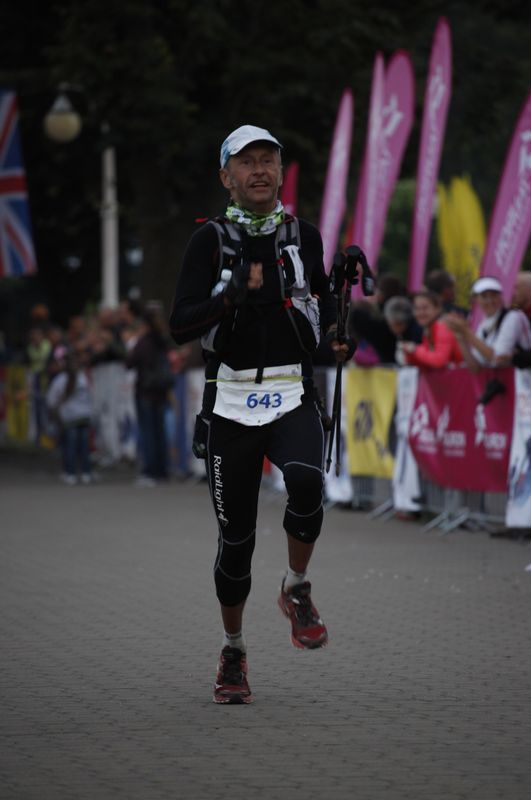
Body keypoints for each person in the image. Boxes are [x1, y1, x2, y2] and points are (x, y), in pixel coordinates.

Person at [169, 124, 353, 704]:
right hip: (229, 407)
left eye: (268, 160)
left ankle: (296, 587)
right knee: (237, 542)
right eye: (246, 162)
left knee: (307, 483)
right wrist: (229, 298)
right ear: (226, 176)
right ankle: (234, 649)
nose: (259, 170)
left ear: (279, 171)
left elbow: (320, 298)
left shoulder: (303, 235)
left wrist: (336, 330)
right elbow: (180, 324)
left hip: (291, 395)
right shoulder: (209, 240)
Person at [126, 306, 175, 486]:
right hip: (160, 391)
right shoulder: (162, 340)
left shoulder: (143, 342)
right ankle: (163, 470)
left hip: (145, 391)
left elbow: (130, 362)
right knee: (160, 431)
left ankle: (150, 470)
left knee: (148, 432)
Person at [445, 276, 531, 371]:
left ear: (500, 296)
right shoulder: (484, 324)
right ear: (476, 299)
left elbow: (497, 360)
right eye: (484, 296)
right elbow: (475, 368)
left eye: (494, 295)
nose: (490, 301)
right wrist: (460, 338)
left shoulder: (514, 316)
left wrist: (466, 332)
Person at [46, 349, 94, 485]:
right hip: (84, 416)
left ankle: (70, 473)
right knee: (84, 447)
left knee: (70, 447)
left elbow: (50, 400)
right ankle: (86, 473)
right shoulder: (83, 378)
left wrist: (57, 410)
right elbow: (91, 396)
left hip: (69, 418)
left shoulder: (60, 380)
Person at [396, 290, 463, 369]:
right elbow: (427, 361)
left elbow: (439, 361)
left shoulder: (444, 327)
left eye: (425, 308)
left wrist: (414, 349)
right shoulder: (429, 328)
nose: (420, 313)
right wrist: (408, 354)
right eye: (416, 308)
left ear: (437, 309)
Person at [510, 271, 531, 369]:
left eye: (516, 287)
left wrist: (514, 358)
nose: (511, 293)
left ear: (529, 289)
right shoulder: (515, 314)